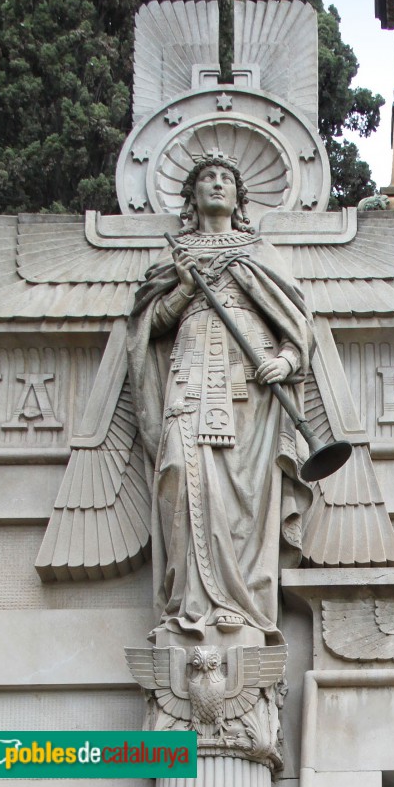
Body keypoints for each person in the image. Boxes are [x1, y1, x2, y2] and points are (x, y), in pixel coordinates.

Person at [127, 153, 315, 644]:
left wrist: (287, 362)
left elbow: (296, 324)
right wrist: (184, 288)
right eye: (207, 177)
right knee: (177, 472)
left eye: (226, 178)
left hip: (249, 384)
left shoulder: (259, 252)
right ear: (192, 195)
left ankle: (242, 604)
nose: (216, 183)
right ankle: (190, 601)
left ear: (238, 195)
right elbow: (149, 327)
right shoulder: (176, 256)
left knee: (245, 495)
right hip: (188, 374)